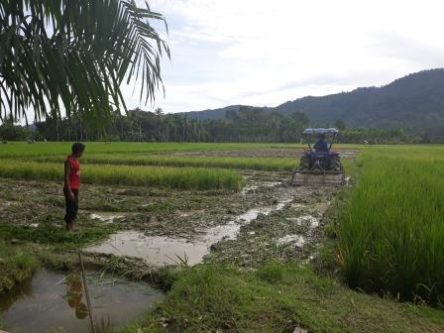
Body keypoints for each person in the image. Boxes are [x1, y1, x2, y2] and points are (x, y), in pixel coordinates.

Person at [64, 142, 85, 231]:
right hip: (70, 188)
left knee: (75, 207)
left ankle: (71, 225)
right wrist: (69, 192)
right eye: (82, 152)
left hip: (76, 187)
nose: (82, 154)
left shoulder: (76, 160)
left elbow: (76, 173)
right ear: (78, 151)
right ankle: (69, 227)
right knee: (70, 208)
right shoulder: (69, 161)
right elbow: (66, 177)